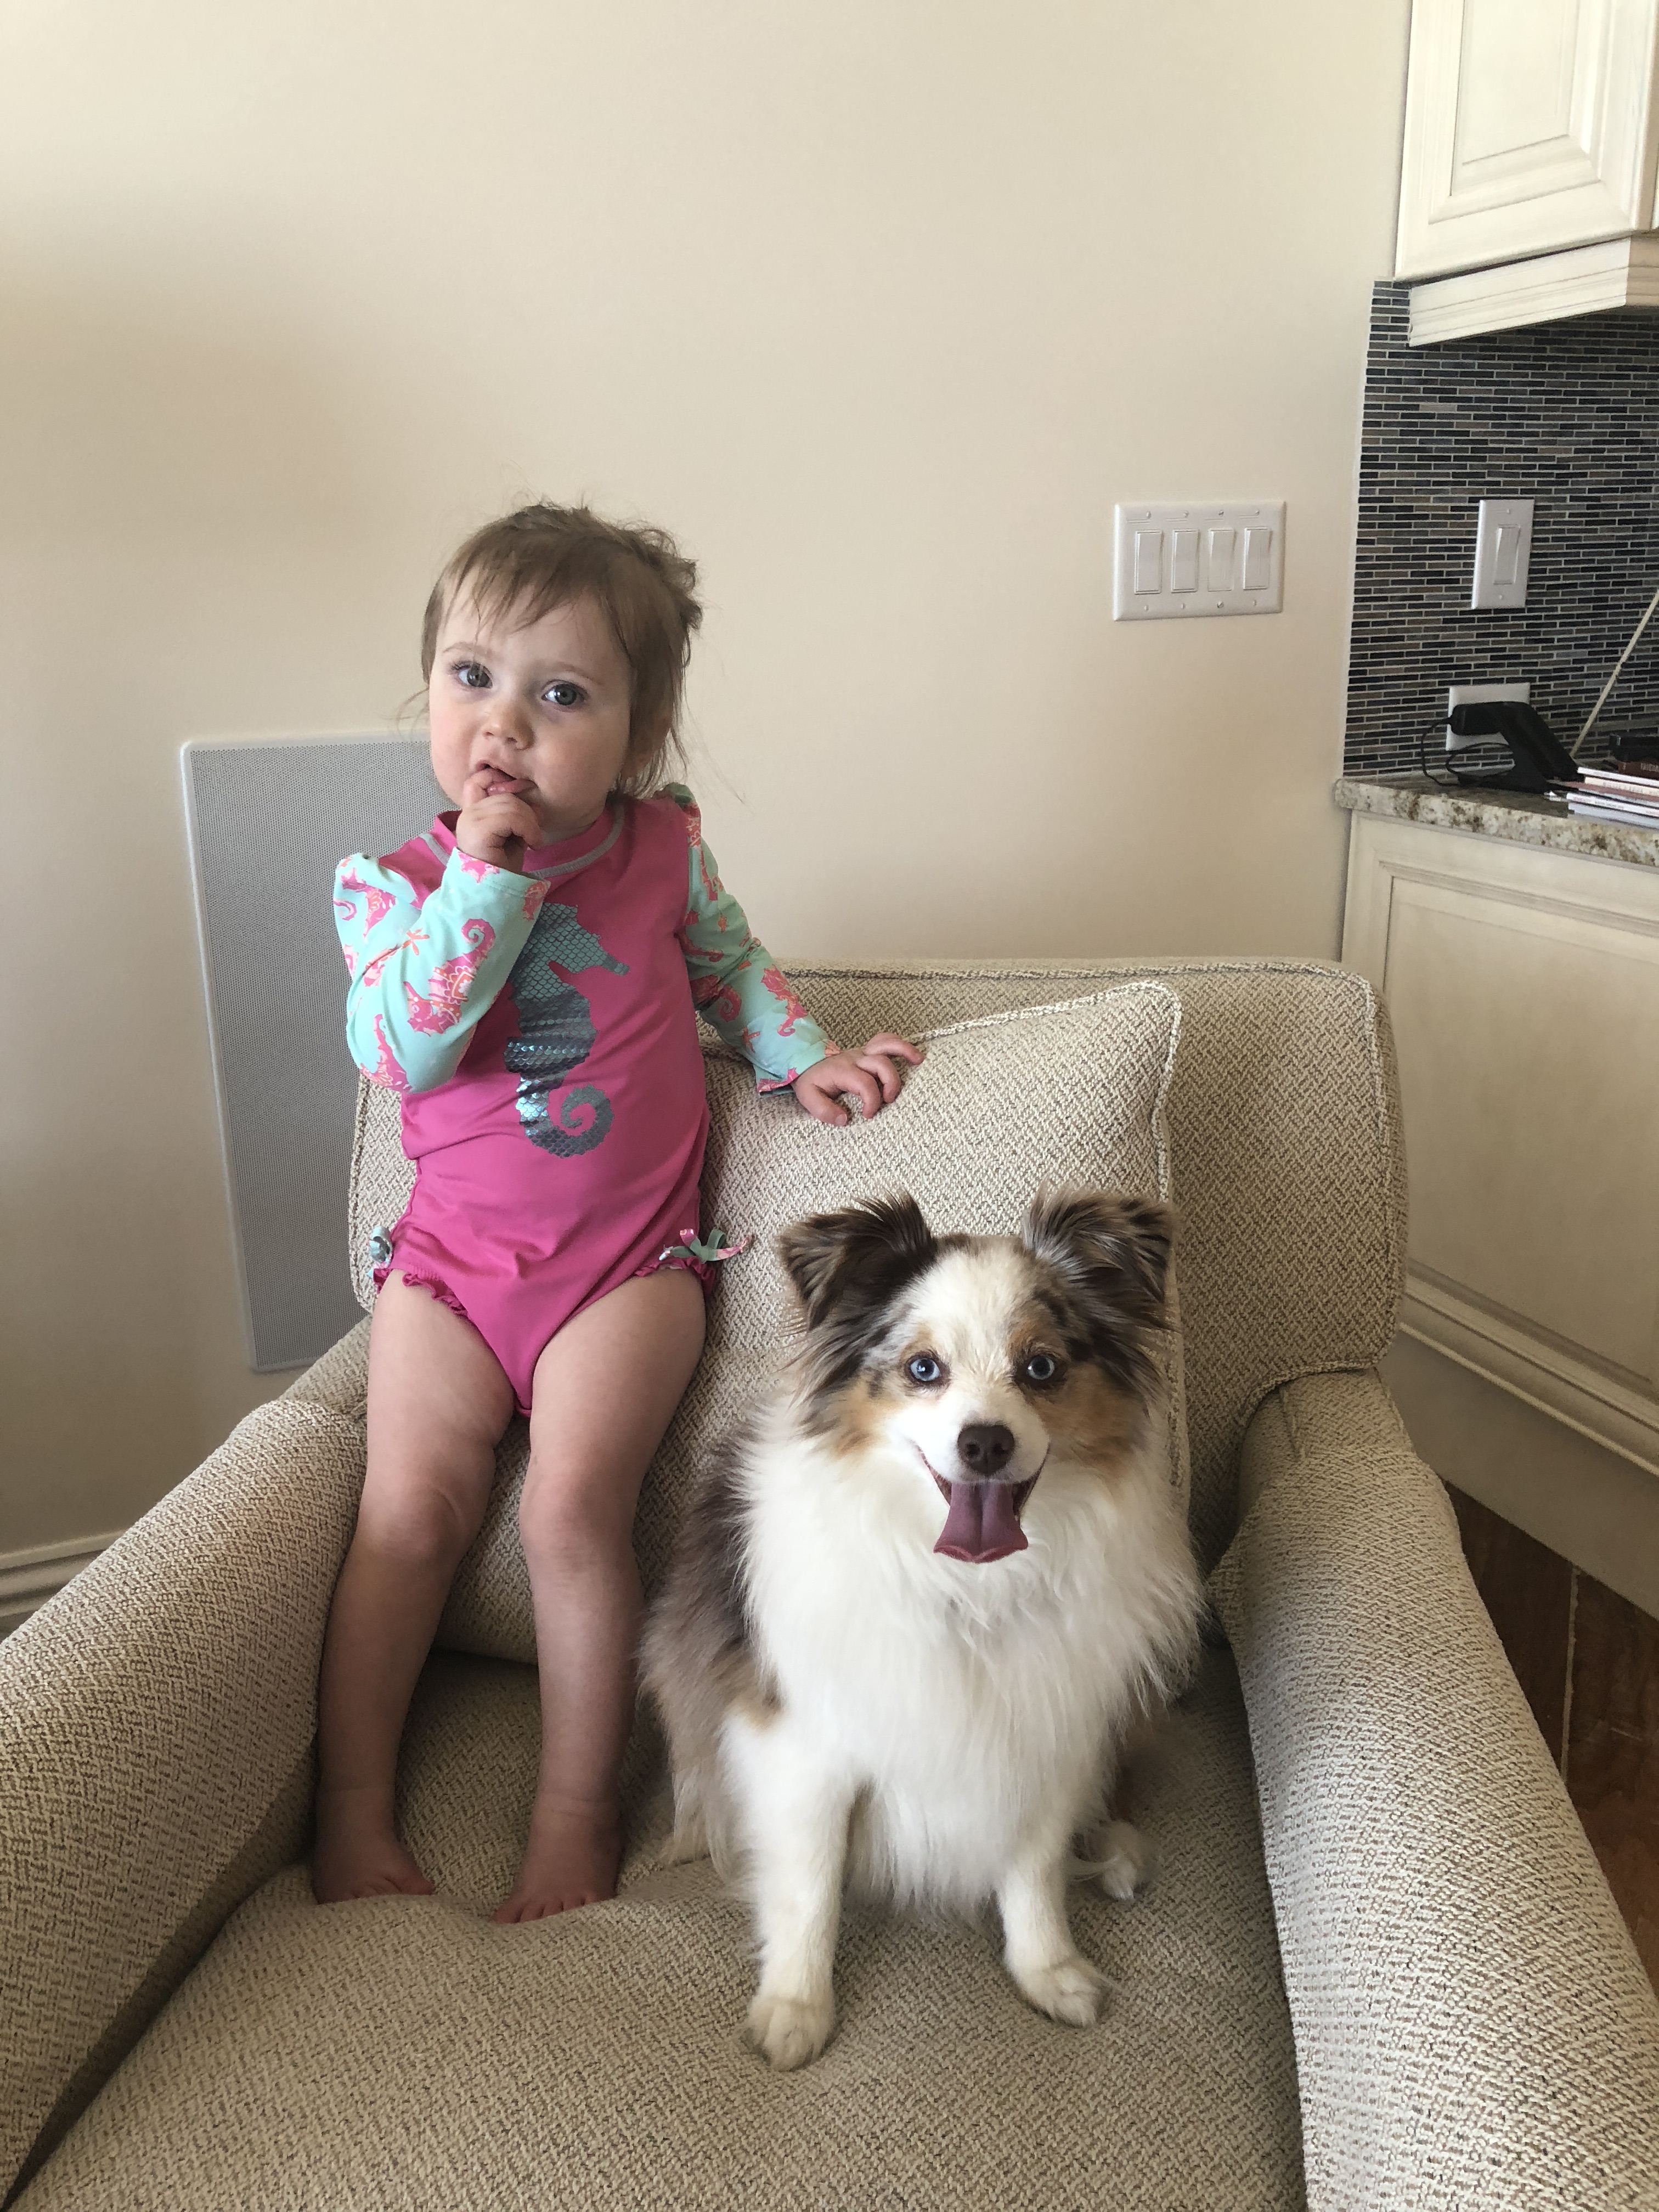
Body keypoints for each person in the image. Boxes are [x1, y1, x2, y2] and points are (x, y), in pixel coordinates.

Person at [316, 503, 918, 1918]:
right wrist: (486, 879)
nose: (505, 724)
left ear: (639, 740)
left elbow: (727, 966)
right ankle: (350, 1813)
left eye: (562, 695)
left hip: (625, 1269)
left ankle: (576, 1818)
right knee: (406, 1515)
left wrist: (800, 1056)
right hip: (451, 1271)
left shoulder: (661, 851)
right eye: (472, 677)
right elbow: (406, 1049)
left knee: (570, 1512)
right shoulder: (390, 888)